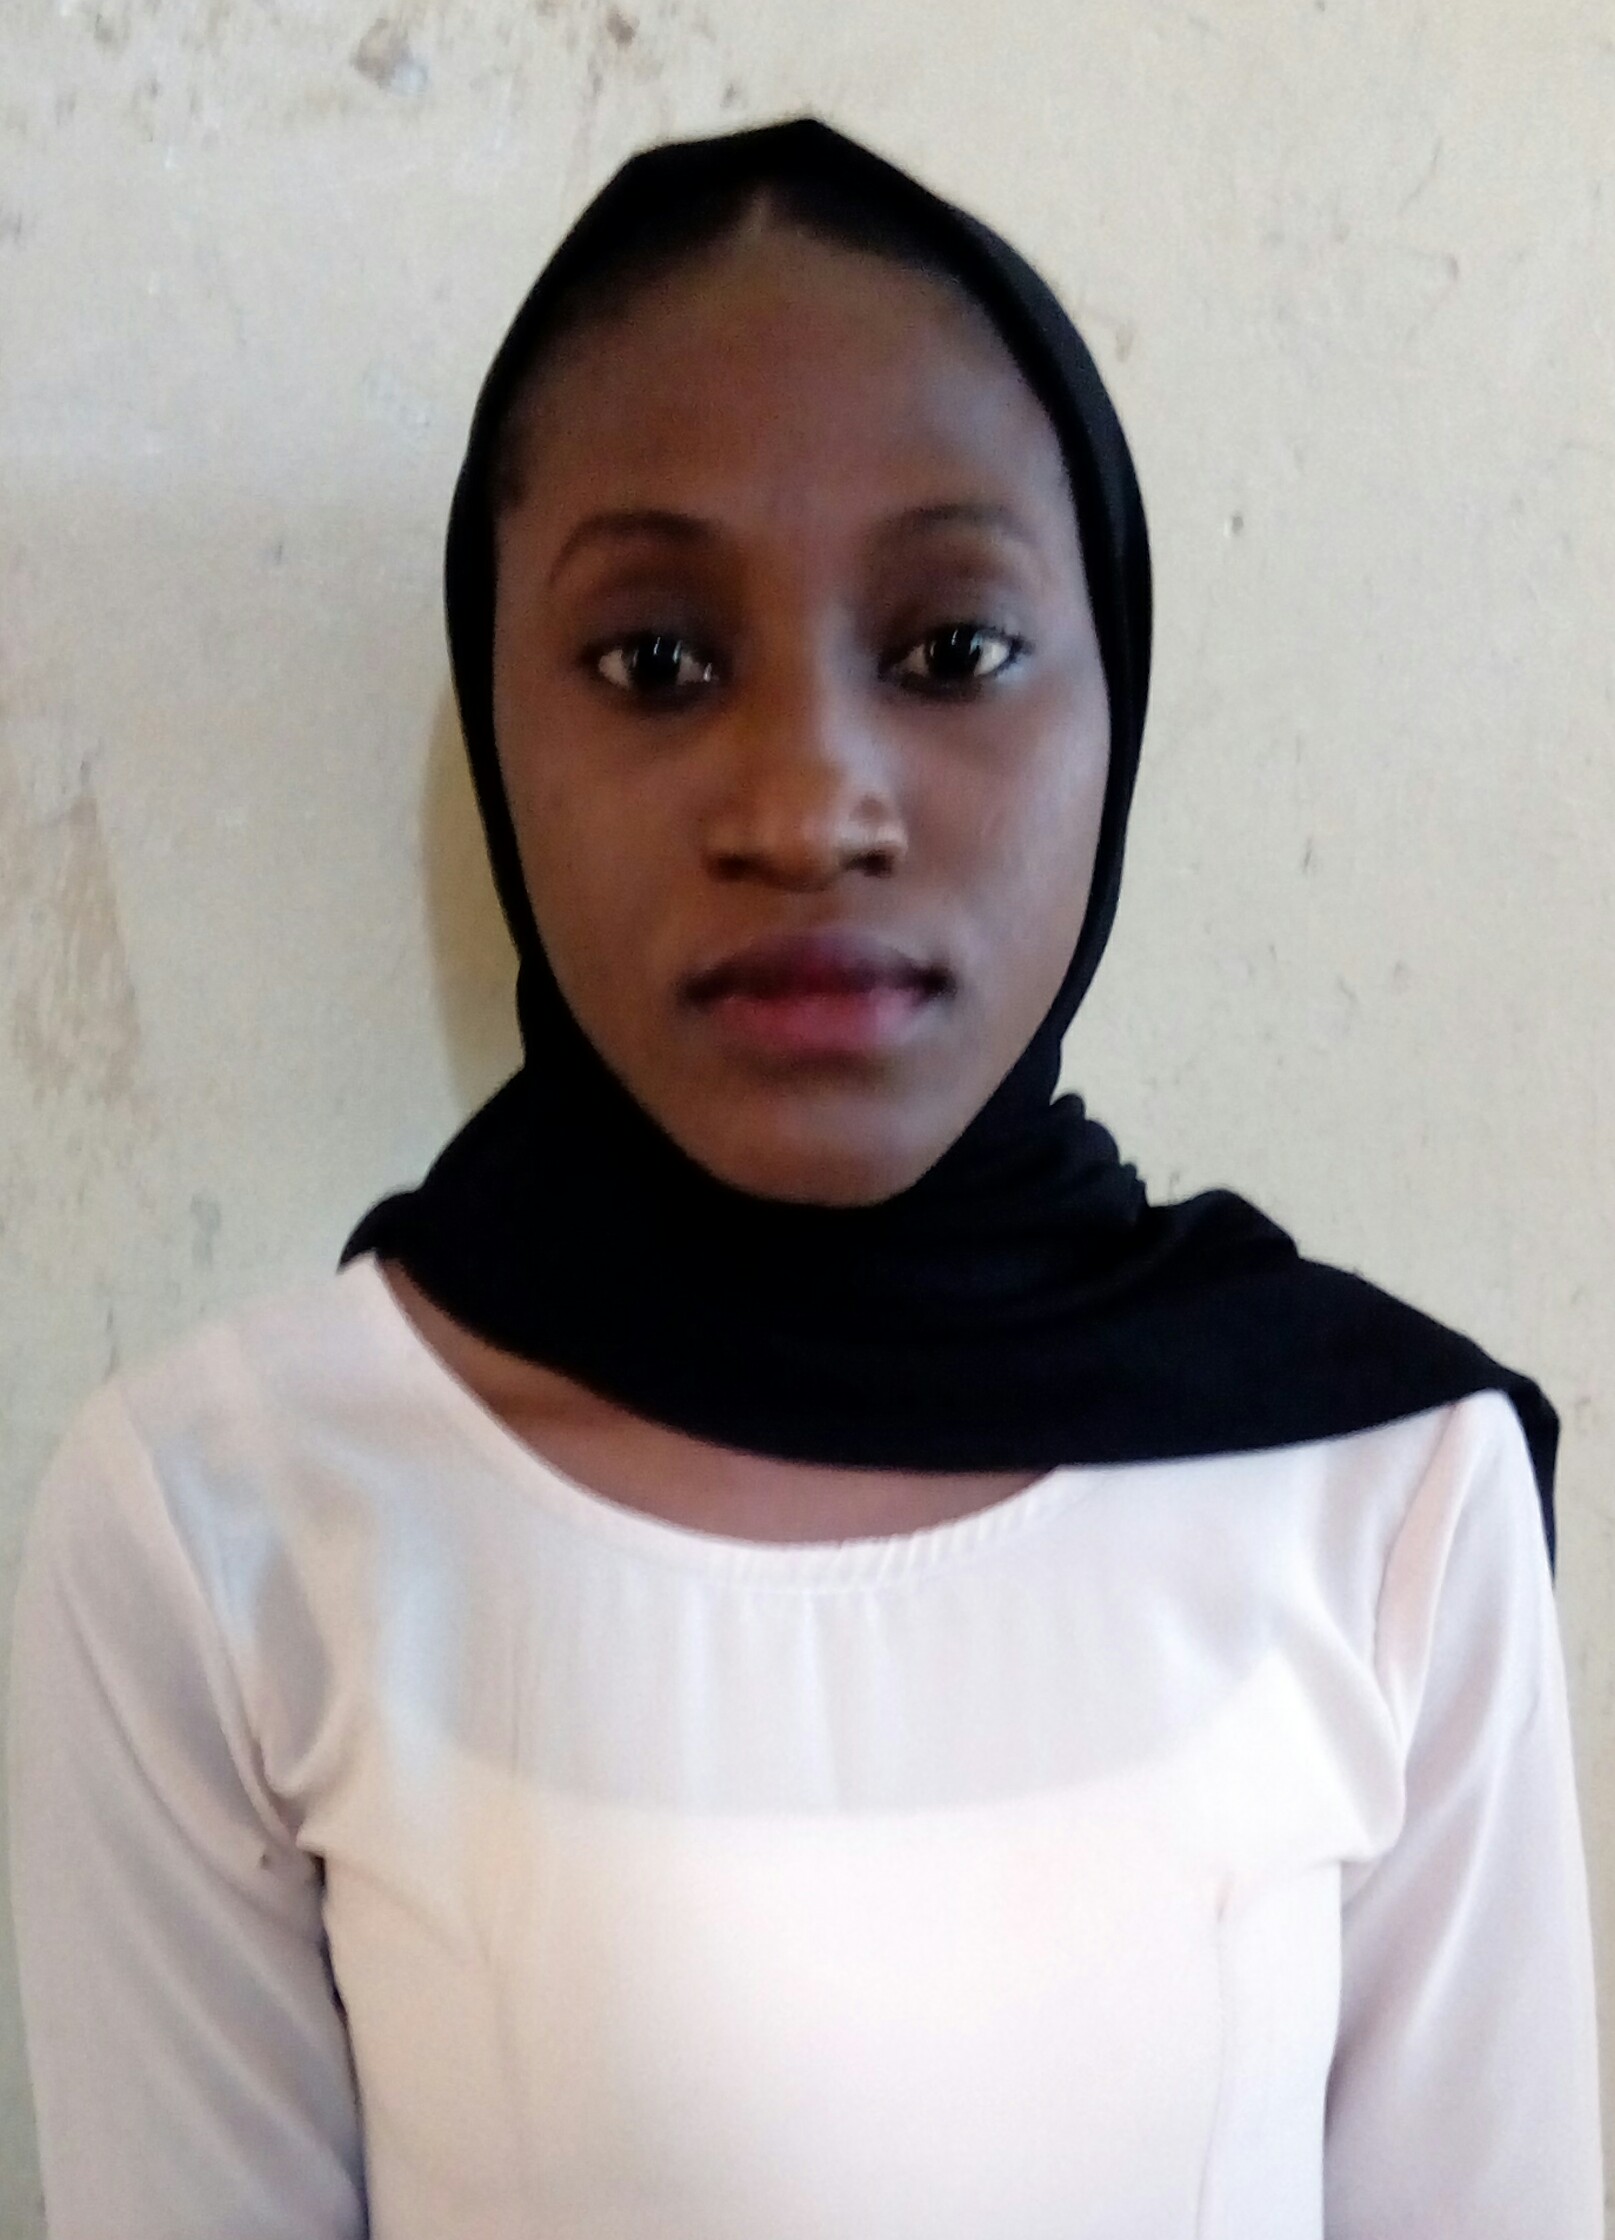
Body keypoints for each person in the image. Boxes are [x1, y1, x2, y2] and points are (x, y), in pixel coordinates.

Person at [7, 117, 1602, 2240]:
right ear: (499, 720)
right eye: (658, 662)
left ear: (1115, 698)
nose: (809, 805)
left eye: (951, 651)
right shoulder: (223, 1529)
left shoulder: (1382, 1487)